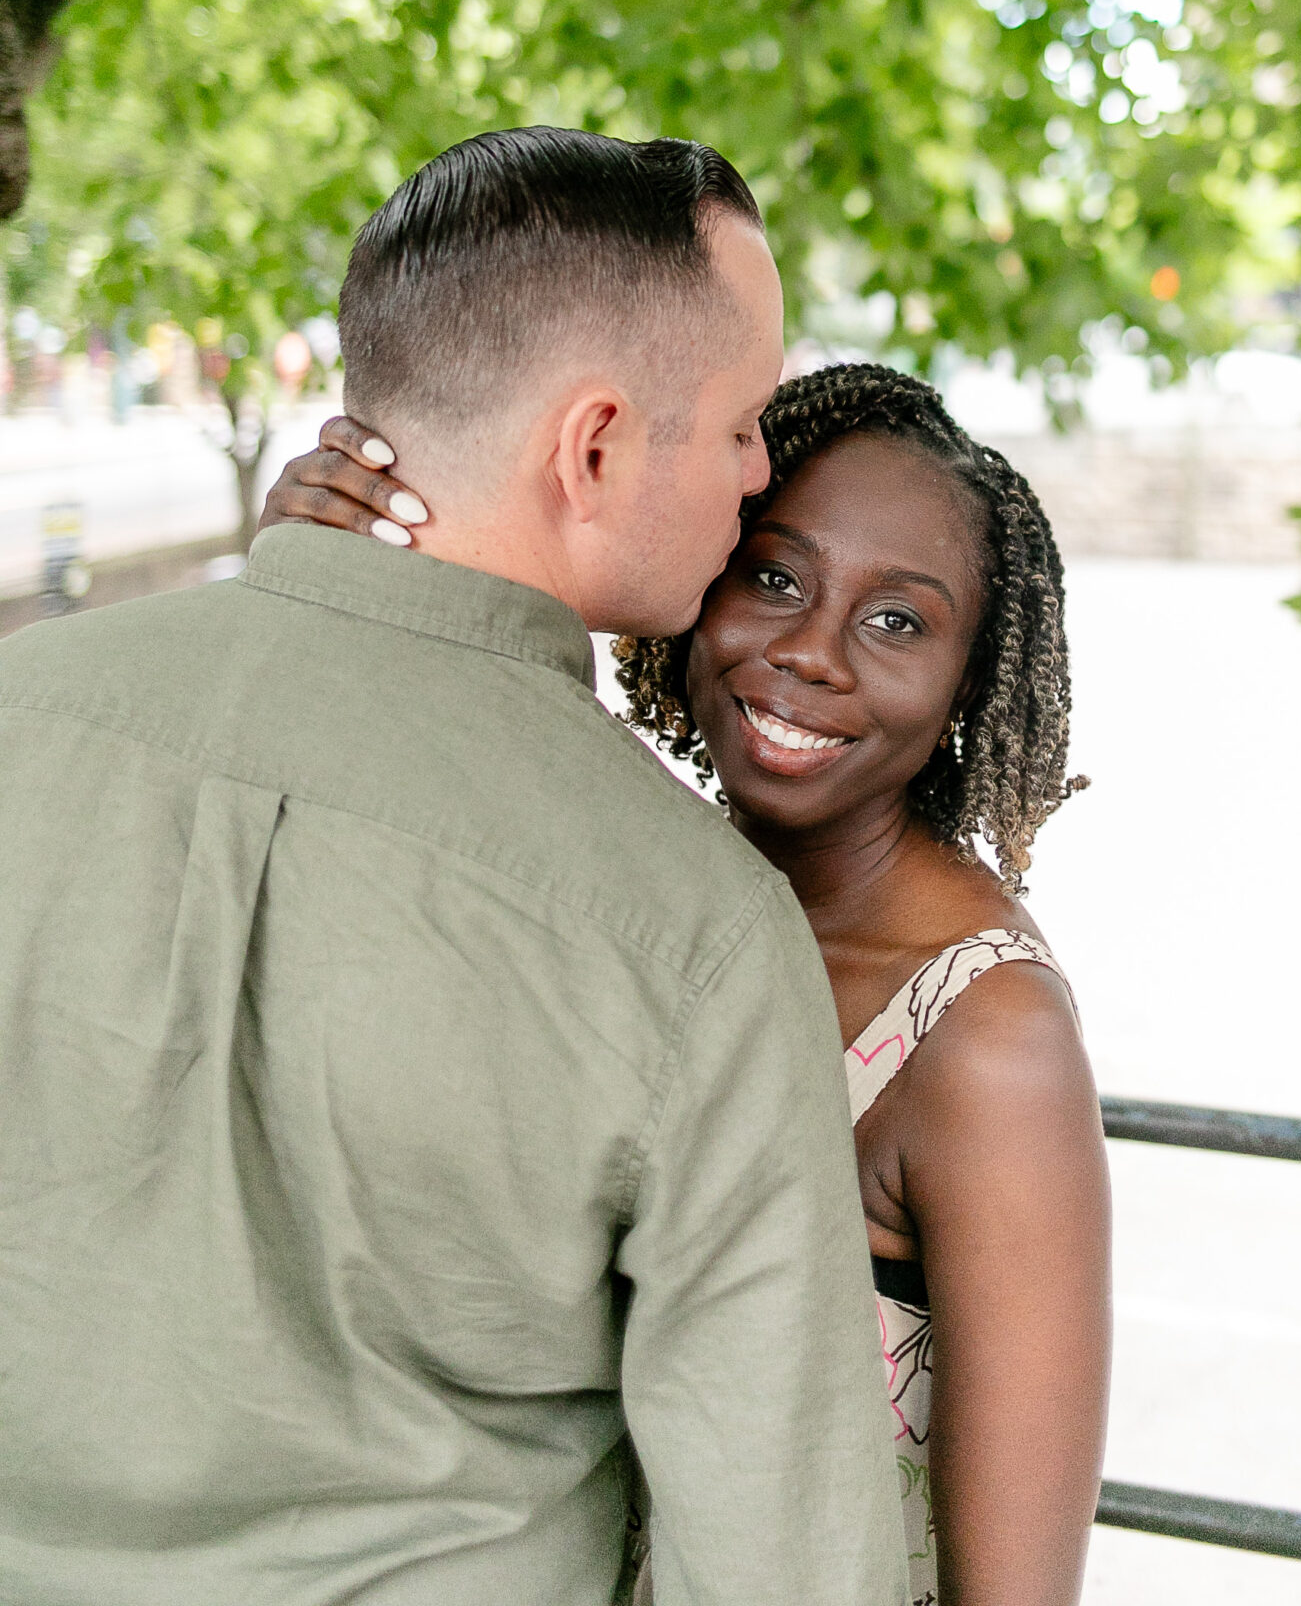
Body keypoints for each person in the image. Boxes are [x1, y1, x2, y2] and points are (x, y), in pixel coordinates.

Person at [0, 129, 908, 1606]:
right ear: (593, 444)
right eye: (744, 420)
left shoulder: (21, 713)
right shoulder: (691, 929)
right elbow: (780, 1569)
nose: (759, 470)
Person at [266, 359, 1113, 1606]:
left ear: (968, 684)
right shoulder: (626, 888)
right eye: (773, 575)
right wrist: (318, 583)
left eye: (897, 620)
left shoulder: (985, 1037)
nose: (810, 652)